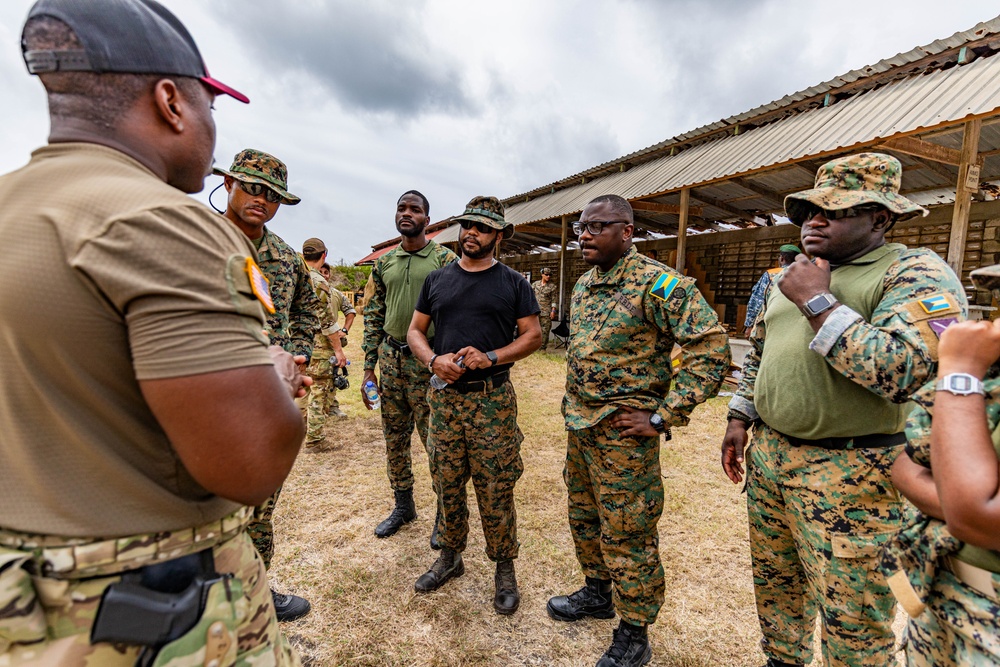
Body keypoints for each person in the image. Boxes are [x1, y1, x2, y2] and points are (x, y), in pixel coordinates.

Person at [0, 0, 307, 664]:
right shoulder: (158, 221)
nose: (210, 129)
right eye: (209, 107)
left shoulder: (12, 204)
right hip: (143, 606)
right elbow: (250, 461)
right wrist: (277, 378)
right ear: (171, 101)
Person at [720, 153, 967, 667]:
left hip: (855, 480)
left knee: (853, 623)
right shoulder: (799, 275)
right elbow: (764, 351)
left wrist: (818, 303)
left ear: (881, 217)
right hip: (773, 463)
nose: (815, 219)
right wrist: (740, 416)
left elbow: (905, 370)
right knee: (777, 588)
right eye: (809, 209)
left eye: (834, 211)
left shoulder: (914, 272)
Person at [548, 194, 730, 667]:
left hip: (625, 436)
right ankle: (597, 592)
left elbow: (710, 349)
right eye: (580, 228)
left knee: (628, 530)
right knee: (584, 517)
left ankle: (634, 630)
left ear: (626, 231)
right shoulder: (587, 284)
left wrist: (662, 415)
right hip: (581, 427)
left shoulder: (660, 285)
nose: (583, 235)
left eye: (595, 226)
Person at [407, 196, 541, 615]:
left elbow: (534, 336)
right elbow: (415, 331)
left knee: (496, 486)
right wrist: (433, 360)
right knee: (446, 483)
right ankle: (450, 557)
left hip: (492, 403)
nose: (471, 234)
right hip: (445, 402)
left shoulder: (514, 283)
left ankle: (504, 568)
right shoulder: (437, 280)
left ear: (498, 235)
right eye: (467, 226)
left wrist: (493, 356)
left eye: (482, 228)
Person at [216, 148, 320, 622]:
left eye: (272, 195)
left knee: (261, 502)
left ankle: (256, 594)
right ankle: (206, 602)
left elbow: (306, 311)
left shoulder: (283, 257)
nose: (262, 200)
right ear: (229, 185)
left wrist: (297, 356)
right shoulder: (198, 240)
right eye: (253, 188)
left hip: (267, 398)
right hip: (204, 397)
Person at [883, 263, 1000, 666]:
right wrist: (960, 496)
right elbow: (906, 465)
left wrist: (961, 373)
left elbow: (976, 517)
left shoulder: (971, 373)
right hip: (945, 596)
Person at [363, 191, 458, 545]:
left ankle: (443, 514)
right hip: (390, 358)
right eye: (401, 208)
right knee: (394, 436)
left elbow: (453, 315)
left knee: (435, 440)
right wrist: (369, 368)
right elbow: (374, 314)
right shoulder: (384, 262)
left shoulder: (445, 260)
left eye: (414, 209)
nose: (406, 213)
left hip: (427, 362)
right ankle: (403, 505)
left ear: (427, 220)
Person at [301, 238, 348, 446]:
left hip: (299, 343)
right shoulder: (317, 281)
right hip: (318, 346)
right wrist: (338, 350)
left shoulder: (295, 276)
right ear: (323, 256)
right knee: (319, 390)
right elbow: (327, 321)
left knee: (301, 387)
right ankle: (315, 438)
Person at [743, 244, 801, 337]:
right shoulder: (805, 275)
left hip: (770, 324)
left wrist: (749, 325)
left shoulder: (771, 274)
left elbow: (757, 300)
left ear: (781, 258)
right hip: (796, 325)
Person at [532, 266, 559, 351]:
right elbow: (530, 297)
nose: (548, 276)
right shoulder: (535, 285)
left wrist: (553, 311)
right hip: (535, 312)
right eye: (546, 275)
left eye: (550, 275)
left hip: (546, 312)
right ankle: (533, 347)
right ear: (542, 275)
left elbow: (554, 299)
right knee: (535, 330)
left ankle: (542, 348)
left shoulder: (552, 287)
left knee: (545, 331)